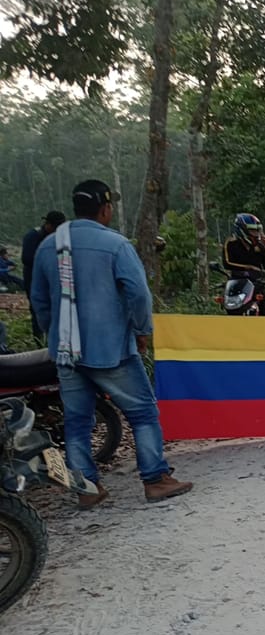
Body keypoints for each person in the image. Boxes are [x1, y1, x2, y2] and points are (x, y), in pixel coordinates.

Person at [31, 179, 193, 508]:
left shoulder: (49, 246)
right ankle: (155, 479)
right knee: (143, 412)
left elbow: (39, 300)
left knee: (77, 420)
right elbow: (138, 293)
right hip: (110, 350)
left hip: (67, 353)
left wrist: (57, 335)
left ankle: (87, 488)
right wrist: (142, 330)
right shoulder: (115, 244)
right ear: (105, 209)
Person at [23, 210, 66, 342]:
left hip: (52, 277)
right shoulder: (33, 236)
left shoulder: (59, 238)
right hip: (33, 278)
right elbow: (26, 258)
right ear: (48, 225)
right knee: (37, 307)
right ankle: (39, 339)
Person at [222, 213, 265, 316]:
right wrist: (248, 267)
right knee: (232, 310)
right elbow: (227, 263)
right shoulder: (231, 243)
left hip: (256, 284)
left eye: (257, 230)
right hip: (237, 284)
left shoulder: (259, 246)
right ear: (242, 230)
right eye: (252, 230)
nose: (256, 233)